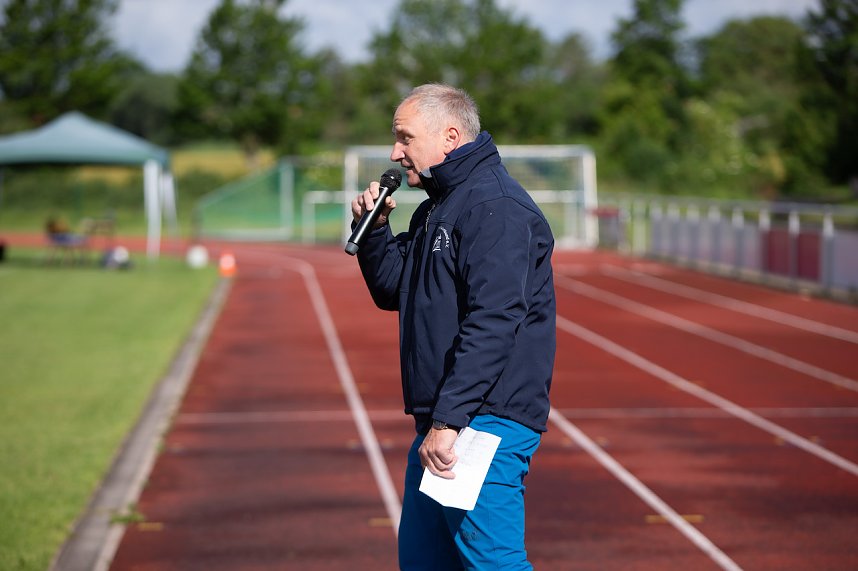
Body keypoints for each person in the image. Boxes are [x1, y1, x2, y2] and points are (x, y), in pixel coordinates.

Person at [350, 83, 556, 570]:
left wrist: (449, 421)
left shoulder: (496, 207)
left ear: (449, 136)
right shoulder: (438, 207)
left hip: (480, 420)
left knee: (492, 564)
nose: (395, 152)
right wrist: (376, 231)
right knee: (424, 561)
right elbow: (393, 290)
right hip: (446, 419)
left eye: (404, 138)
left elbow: (495, 319)